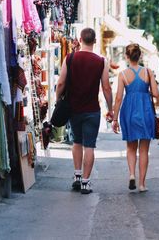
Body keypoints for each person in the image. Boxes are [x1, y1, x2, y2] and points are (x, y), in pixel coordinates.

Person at [56, 28, 113, 194]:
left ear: (80, 39)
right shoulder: (101, 61)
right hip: (92, 110)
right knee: (89, 146)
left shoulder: (70, 58)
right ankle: (86, 183)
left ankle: (77, 176)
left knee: (77, 142)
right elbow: (106, 87)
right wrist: (111, 110)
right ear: (95, 41)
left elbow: (61, 83)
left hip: (73, 108)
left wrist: (58, 99)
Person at [112, 44, 158, 192]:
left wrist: (114, 118)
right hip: (145, 111)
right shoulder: (148, 71)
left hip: (129, 112)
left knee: (131, 148)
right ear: (140, 56)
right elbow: (156, 94)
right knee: (144, 150)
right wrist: (146, 92)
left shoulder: (123, 74)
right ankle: (142, 184)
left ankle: (132, 174)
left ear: (126, 56)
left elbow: (118, 98)